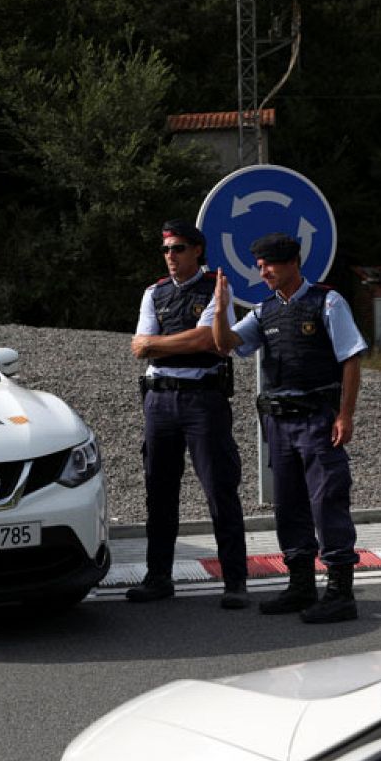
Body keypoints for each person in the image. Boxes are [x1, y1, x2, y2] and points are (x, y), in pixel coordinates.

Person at [211, 232, 369, 624]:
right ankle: (301, 584)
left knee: (327, 500)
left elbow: (351, 361)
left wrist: (344, 415)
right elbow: (226, 344)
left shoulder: (327, 302)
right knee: (289, 505)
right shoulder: (265, 312)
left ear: (292, 263)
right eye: (260, 265)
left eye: (269, 264)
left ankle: (339, 593)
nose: (262, 271)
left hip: (317, 419)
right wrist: (220, 310)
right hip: (279, 424)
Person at [126, 220, 250, 610]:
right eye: (166, 250)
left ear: (197, 250)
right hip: (160, 401)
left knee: (219, 490)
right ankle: (158, 577)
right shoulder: (154, 293)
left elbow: (209, 340)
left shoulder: (216, 288)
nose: (170, 257)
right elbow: (139, 348)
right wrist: (168, 345)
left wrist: (159, 344)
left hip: (203, 400)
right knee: (158, 493)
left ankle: (235, 582)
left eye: (178, 249)